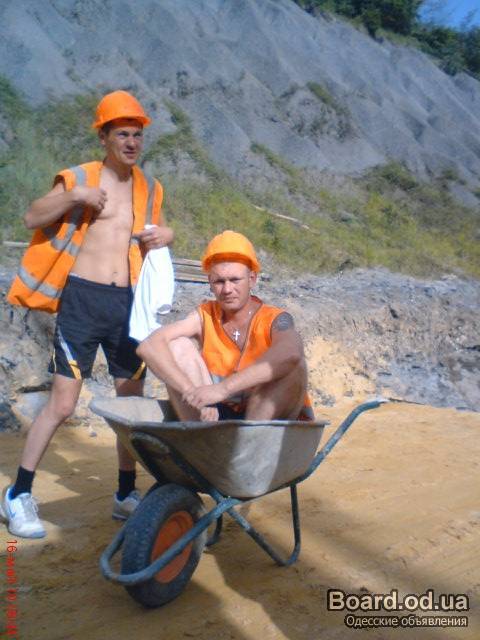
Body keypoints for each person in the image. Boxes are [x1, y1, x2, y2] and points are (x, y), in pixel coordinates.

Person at [1, 90, 174, 539]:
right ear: (104, 137)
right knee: (62, 404)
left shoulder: (150, 188)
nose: (131, 142)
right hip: (82, 300)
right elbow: (32, 217)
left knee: (129, 404)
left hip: (128, 305)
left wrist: (167, 234)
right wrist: (75, 196)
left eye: (137, 135)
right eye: (123, 134)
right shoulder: (80, 177)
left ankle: (124, 493)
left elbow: (153, 234)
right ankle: (18, 494)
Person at [137, 230, 314, 423]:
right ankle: (201, 432)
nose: (227, 289)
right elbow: (149, 346)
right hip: (213, 414)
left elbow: (291, 352)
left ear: (252, 279)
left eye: (235, 280)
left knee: (296, 365)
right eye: (219, 281)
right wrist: (190, 391)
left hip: (264, 417)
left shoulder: (275, 319)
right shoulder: (204, 315)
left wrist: (223, 389)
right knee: (177, 345)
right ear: (210, 283)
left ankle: (249, 437)